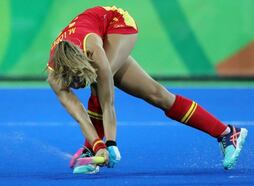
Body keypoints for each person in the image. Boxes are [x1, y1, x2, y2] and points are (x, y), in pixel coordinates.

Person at [46, 5, 248, 174]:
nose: (81, 84)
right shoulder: (54, 78)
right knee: (157, 95)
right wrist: (99, 144)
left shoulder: (94, 52)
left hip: (117, 24)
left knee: (99, 84)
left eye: (84, 77)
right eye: (76, 82)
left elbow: (107, 103)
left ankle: (89, 151)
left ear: (86, 60)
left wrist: (110, 144)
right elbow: (81, 116)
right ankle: (227, 133)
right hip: (94, 33)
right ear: (63, 78)